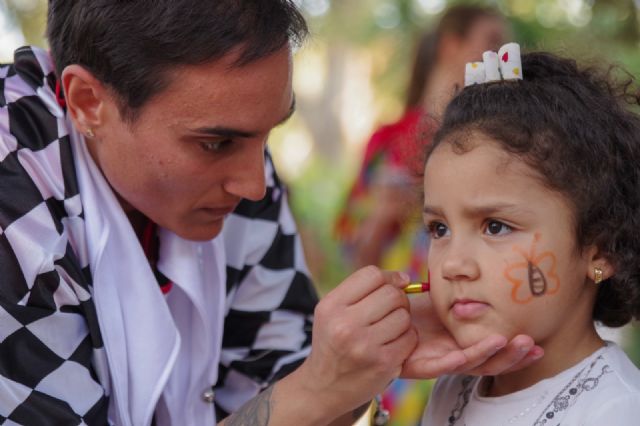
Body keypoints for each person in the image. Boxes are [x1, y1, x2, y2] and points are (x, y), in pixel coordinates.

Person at [0, 2, 541, 425]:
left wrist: (359, 367)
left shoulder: (237, 177)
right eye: (215, 143)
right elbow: (295, 397)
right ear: (89, 101)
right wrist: (319, 386)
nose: (256, 185)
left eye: (266, 137)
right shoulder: (12, 197)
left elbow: (275, 390)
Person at [420, 46, 640, 425]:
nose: (453, 264)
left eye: (495, 226)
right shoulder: (453, 386)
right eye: (439, 229)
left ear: (600, 250)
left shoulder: (618, 411)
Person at [335, 5, 506, 276]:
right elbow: (355, 262)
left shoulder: (503, 139)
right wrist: (383, 216)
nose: (504, 55)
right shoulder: (387, 143)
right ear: (451, 45)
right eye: (493, 42)